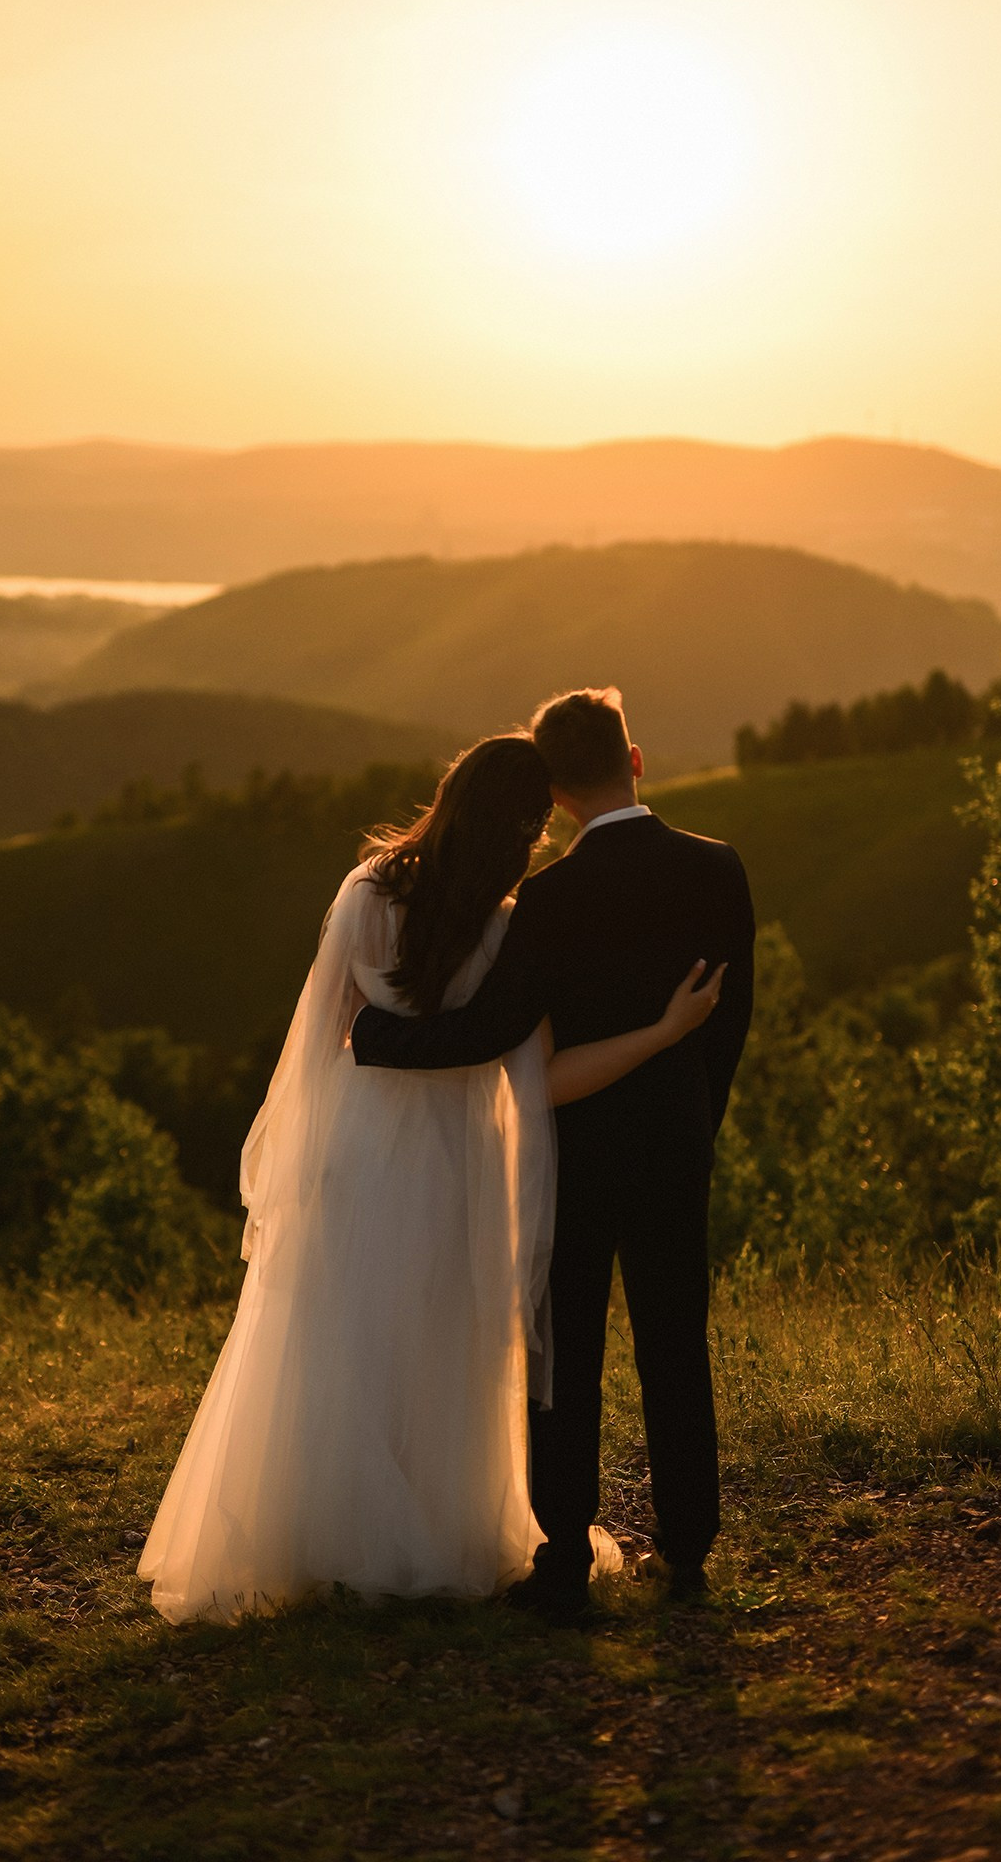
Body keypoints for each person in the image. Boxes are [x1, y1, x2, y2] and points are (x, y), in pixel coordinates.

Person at [139, 734, 724, 1622]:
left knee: (346, 1333)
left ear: (450, 795)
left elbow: (322, 1034)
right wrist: (661, 1035)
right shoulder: (510, 923)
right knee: (447, 1339)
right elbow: (541, 1074)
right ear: (529, 827)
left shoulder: (370, 890)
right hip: (460, 1155)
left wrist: (372, 1049)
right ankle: (435, 1527)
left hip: (361, 1140)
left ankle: (325, 1531)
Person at [352, 691, 755, 1617]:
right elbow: (731, 1022)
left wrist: (378, 1036)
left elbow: (493, 1031)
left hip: (572, 1150)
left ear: (558, 795)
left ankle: (564, 1553)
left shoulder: (548, 897)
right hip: (674, 1141)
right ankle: (687, 1544)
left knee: (563, 1353)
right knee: (674, 1340)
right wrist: (699, 1119)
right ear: (637, 759)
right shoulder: (716, 869)